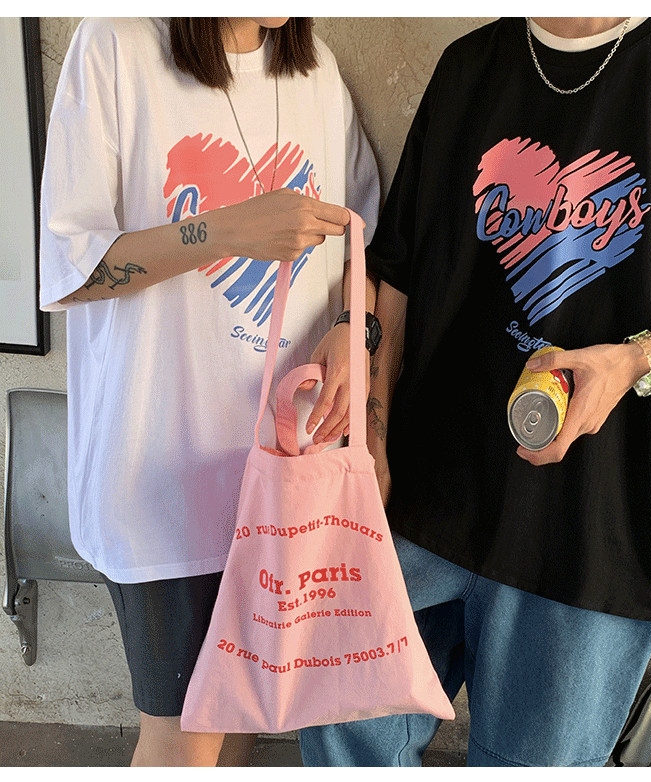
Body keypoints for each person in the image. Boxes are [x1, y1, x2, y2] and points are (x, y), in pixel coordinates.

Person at [299, 16, 651, 767]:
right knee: (341, 733)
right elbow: (400, 267)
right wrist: (371, 439)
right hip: (427, 497)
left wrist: (635, 359)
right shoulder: (470, 65)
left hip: (596, 527)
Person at [39, 16, 379, 767]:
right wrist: (222, 231)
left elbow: (363, 242)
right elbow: (70, 269)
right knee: (183, 736)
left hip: (286, 479)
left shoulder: (314, 69)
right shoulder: (116, 45)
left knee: (243, 720)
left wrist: (355, 328)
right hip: (162, 479)